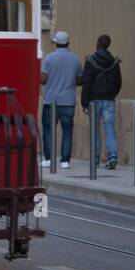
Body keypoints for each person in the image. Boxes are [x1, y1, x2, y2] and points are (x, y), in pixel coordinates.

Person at [81, 34, 123, 169]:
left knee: (95, 129)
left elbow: (86, 83)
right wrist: (112, 94)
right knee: (109, 128)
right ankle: (113, 156)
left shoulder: (90, 61)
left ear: (98, 43)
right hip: (109, 99)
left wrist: (84, 103)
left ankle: (96, 158)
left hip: (93, 99)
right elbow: (118, 82)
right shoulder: (114, 62)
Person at [40, 30, 81, 169]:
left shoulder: (49, 59)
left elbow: (43, 79)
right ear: (68, 43)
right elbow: (80, 80)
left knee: (47, 130)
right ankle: (65, 161)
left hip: (50, 99)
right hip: (68, 101)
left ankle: (48, 159)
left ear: (56, 43)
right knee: (67, 130)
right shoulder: (75, 59)